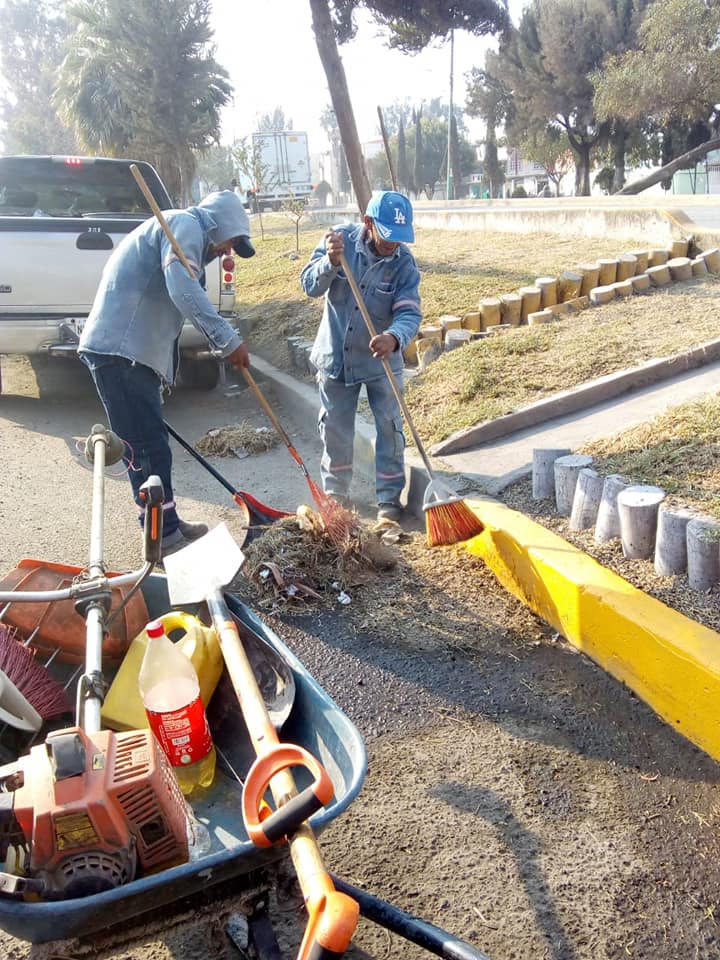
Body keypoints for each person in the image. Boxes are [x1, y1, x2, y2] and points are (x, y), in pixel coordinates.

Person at [78, 190, 255, 558]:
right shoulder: (187, 225)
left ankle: (167, 522)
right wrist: (226, 339)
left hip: (127, 352)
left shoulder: (183, 228)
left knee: (152, 443)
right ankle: (159, 536)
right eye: (231, 243)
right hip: (120, 351)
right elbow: (182, 288)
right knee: (144, 447)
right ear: (219, 224)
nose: (228, 252)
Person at [300, 190, 421, 522]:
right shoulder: (338, 242)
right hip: (336, 358)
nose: (392, 245)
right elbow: (309, 285)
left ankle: (389, 502)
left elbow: (410, 314)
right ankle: (336, 496)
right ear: (368, 223)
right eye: (387, 236)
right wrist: (330, 263)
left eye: (399, 238)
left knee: (390, 427)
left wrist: (394, 338)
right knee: (336, 429)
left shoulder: (403, 263)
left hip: (382, 358)